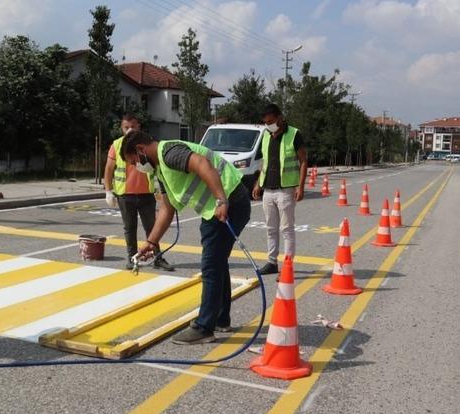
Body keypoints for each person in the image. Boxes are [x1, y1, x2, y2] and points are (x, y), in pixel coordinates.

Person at [122, 131, 251, 344]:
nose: (137, 165)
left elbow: (202, 164)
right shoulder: (159, 170)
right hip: (224, 205)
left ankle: (204, 327)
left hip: (229, 204)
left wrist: (221, 200)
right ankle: (220, 318)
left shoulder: (169, 153)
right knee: (217, 262)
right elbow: (167, 208)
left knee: (211, 265)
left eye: (134, 160)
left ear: (140, 149)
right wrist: (151, 242)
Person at [104, 115, 174, 271]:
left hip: (146, 194)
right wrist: (108, 191)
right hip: (125, 194)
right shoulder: (116, 145)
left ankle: (157, 258)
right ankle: (132, 258)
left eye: (133, 127)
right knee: (129, 228)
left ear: (139, 127)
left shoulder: (144, 144)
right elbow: (109, 169)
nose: (129, 130)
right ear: (121, 129)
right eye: (126, 127)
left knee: (152, 227)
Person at [252, 103, 308, 275]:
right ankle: (271, 262)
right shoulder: (266, 135)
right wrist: (258, 184)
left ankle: (288, 267)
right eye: (265, 122)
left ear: (279, 118)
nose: (268, 125)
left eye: (271, 121)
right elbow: (264, 162)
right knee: (270, 228)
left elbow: (303, 160)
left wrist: (301, 186)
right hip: (268, 189)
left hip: (286, 190)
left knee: (287, 229)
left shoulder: (294, 134)